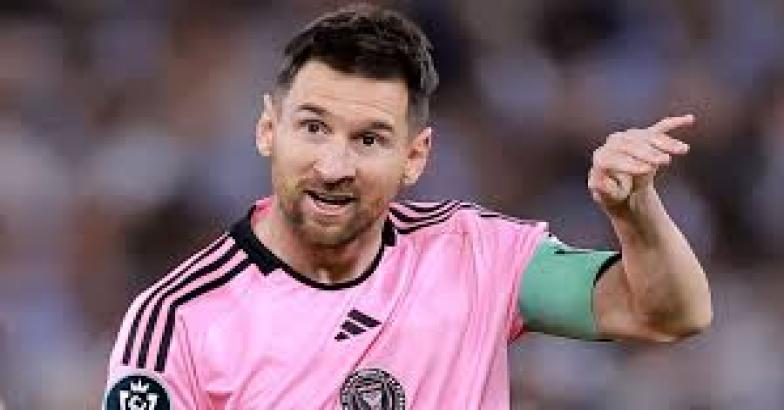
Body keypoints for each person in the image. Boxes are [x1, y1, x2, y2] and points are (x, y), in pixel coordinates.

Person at [103, 4, 712, 409]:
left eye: (369, 140)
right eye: (313, 128)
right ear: (268, 129)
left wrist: (635, 211)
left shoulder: (474, 254)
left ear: (415, 156)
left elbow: (670, 314)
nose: (334, 166)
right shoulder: (177, 321)